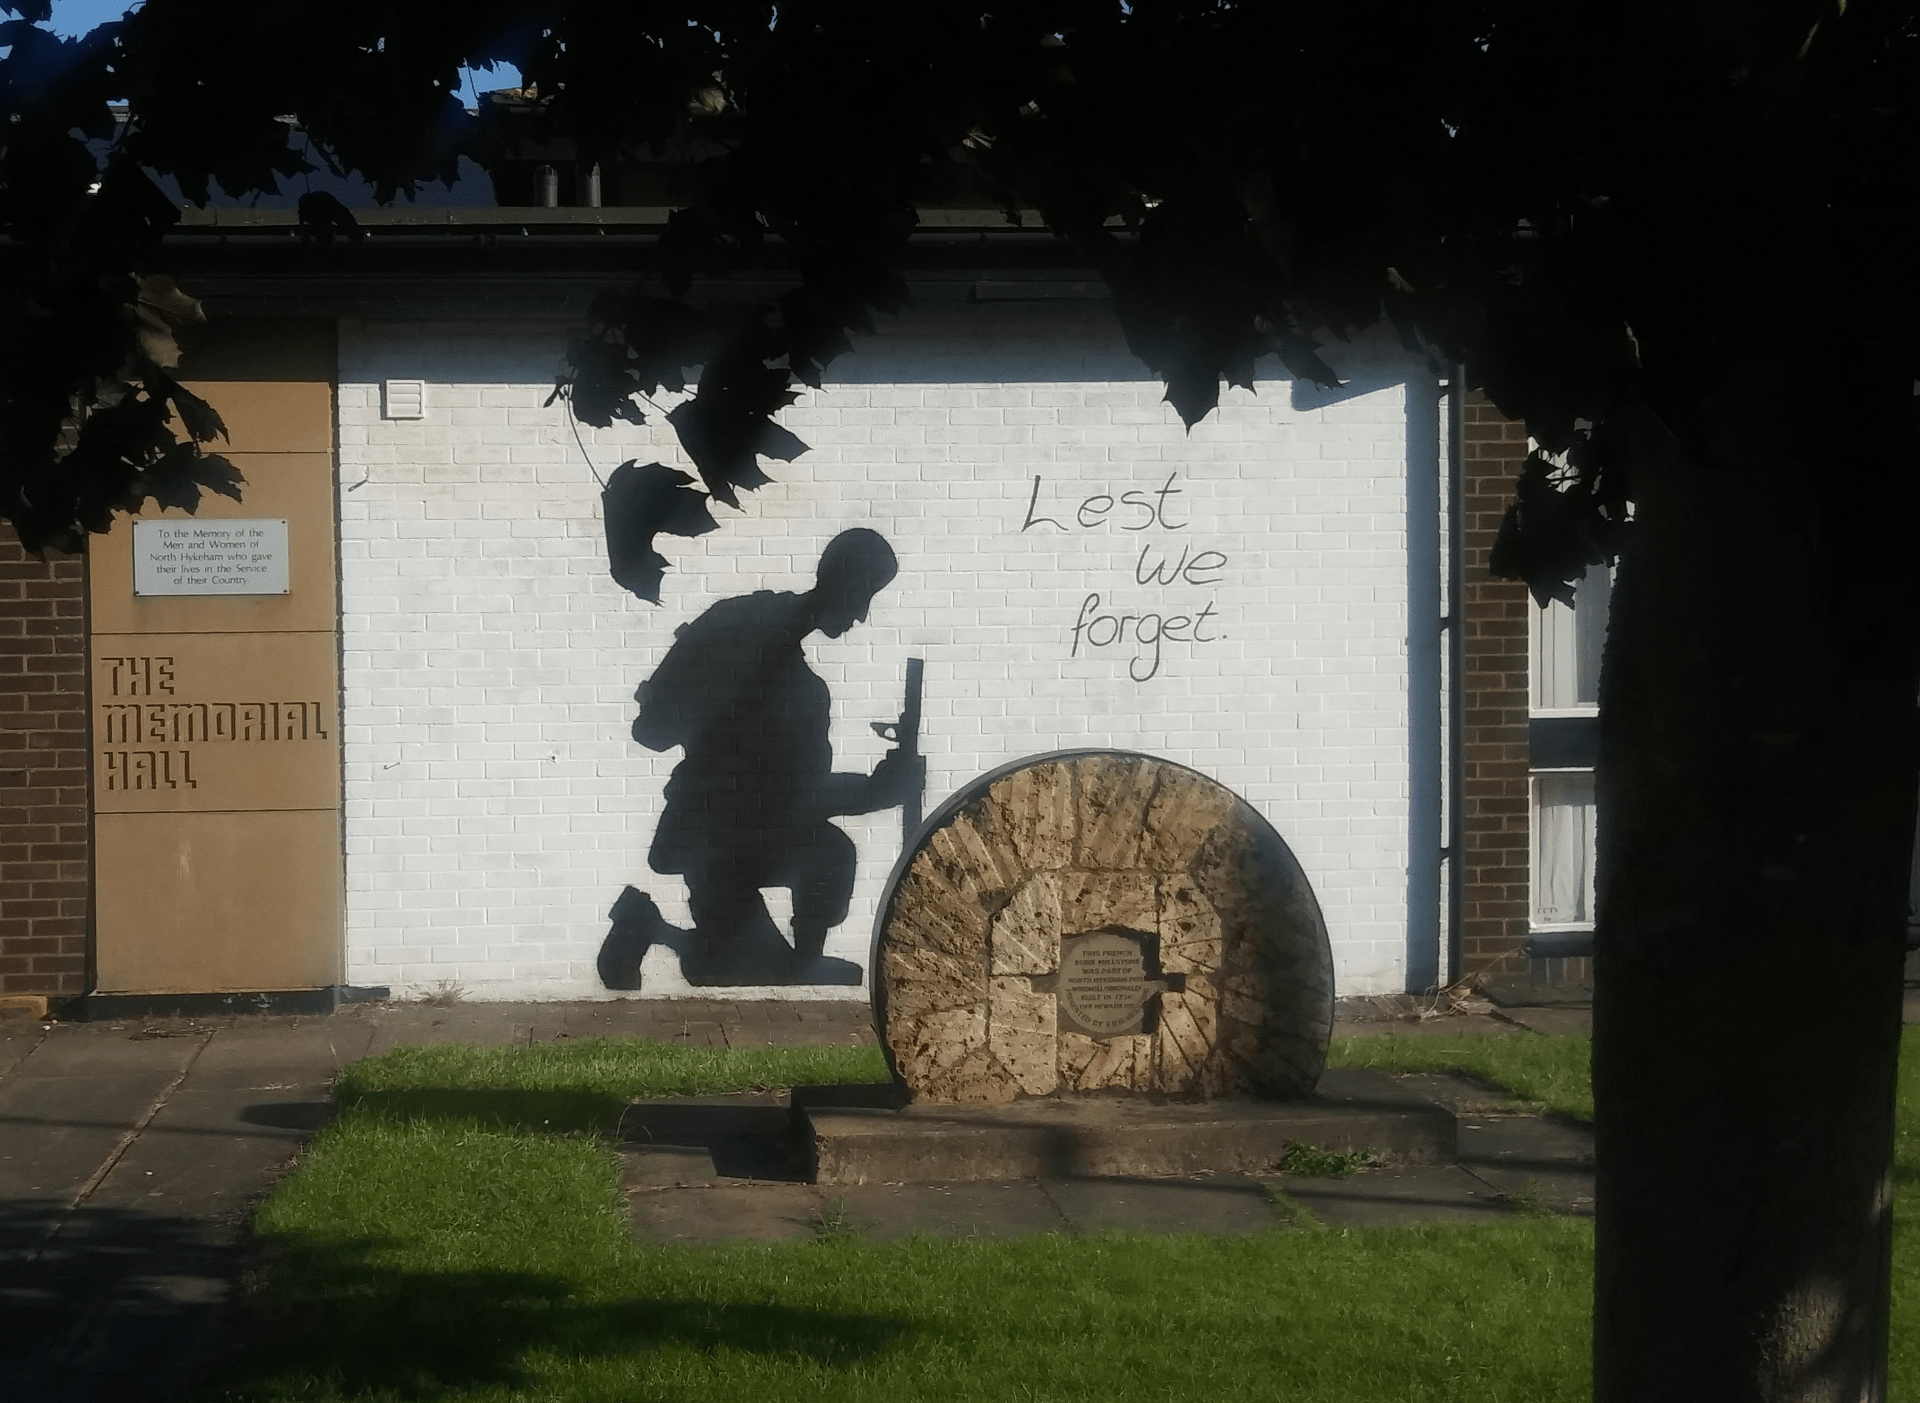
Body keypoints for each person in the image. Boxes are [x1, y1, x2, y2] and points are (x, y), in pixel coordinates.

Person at [602, 528, 912, 987]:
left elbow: (792, 795)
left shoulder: (763, 640)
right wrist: (876, 792)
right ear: (839, 581)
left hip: (738, 831)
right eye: (862, 594)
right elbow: (794, 797)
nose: (862, 615)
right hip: (711, 837)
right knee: (725, 964)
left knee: (824, 859)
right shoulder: (775, 664)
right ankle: (651, 924)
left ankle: (791, 959)